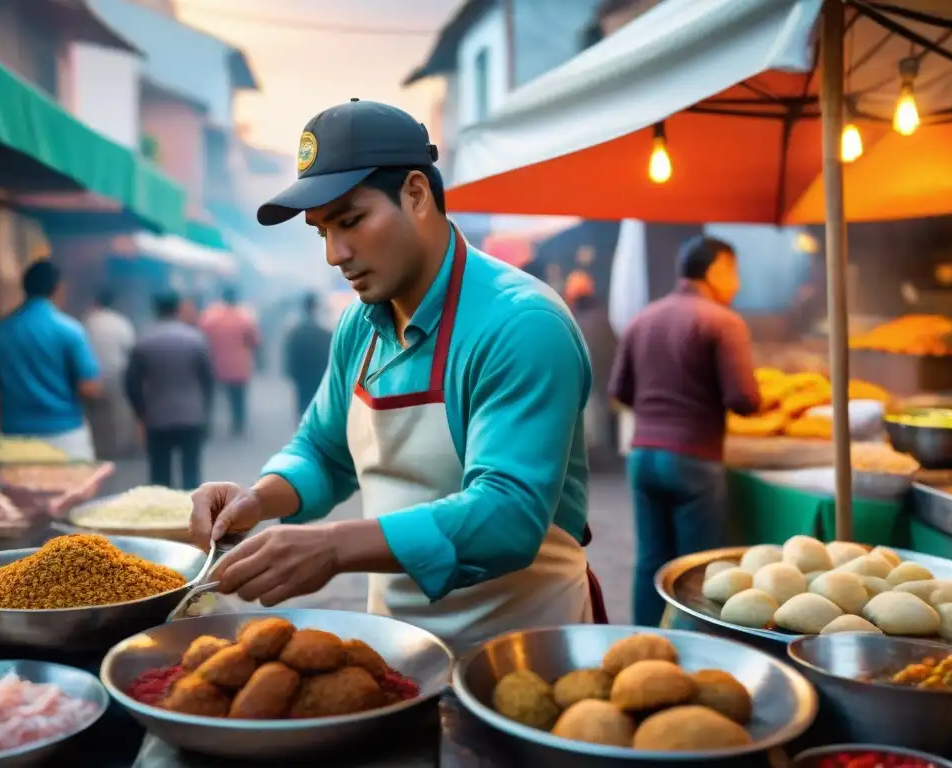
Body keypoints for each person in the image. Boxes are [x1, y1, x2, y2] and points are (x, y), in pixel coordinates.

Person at [189, 99, 607, 652]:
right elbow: (323, 449)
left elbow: (508, 515)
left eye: (351, 221)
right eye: (321, 232)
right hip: (400, 648)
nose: (336, 255)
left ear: (415, 194)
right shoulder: (358, 327)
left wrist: (335, 546)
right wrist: (261, 498)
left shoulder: (521, 324)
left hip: (524, 648)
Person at [609, 235, 761, 627]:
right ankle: (694, 650)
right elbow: (743, 397)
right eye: (734, 271)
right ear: (715, 269)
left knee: (651, 562)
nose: (738, 283)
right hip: (694, 459)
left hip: (642, 456)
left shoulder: (642, 319)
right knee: (698, 570)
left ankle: (643, 643)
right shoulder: (723, 321)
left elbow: (619, 391)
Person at [0, 260, 101, 460]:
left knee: (20, 491)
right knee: (73, 489)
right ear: (58, 289)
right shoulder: (70, 330)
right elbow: (89, 386)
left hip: (15, 438)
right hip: (65, 437)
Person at [124, 291, 214, 490]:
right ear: (178, 308)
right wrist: (206, 411)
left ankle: (163, 516)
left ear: (155, 309)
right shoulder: (196, 339)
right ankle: (192, 516)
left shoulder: (144, 341)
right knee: (191, 474)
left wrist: (141, 412)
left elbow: (131, 382)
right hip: (191, 417)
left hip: (157, 417)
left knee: (159, 476)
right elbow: (208, 380)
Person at [564, 271, 617, 464]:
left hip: (586, 381)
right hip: (603, 380)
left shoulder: (574, 320)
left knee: (591, 418)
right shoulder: (603, 318)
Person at [83, 288, 137, 457]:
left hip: (90, 376)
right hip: (116, 374)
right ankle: (118, 448)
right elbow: (130, 348)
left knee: (93, 415)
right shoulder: (120, 322)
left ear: (95, 302)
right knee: (118, 413)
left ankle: (98, 448)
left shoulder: (87, 321)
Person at [199, 286, 259, 437]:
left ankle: (207, 427)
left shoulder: (209, 318)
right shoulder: (245, 319)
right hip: (239, 366)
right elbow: (255, 341)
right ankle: (238, 426)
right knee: (238, 399)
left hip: (214, 365)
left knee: (209, 399)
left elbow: (201, 340)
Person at [282, 293, 333, 419]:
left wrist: (290, 372)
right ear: (315, 307)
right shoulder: (324, 332)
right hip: (318, 373)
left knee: (302, 401)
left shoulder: (295, 332)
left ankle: (303, 425)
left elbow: (290, 353)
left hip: (301, 373)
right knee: (317, 401)